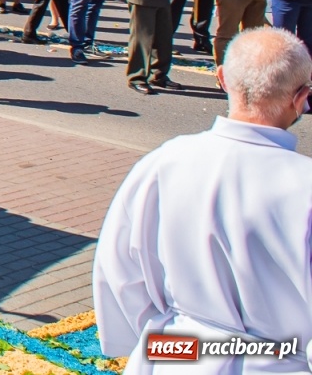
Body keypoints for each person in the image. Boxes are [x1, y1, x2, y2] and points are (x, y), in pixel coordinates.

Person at [93, 27, 312, 372]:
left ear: (222, 78)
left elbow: (120, 272)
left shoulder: (165, 161)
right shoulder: (305, 184)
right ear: (301, 98)